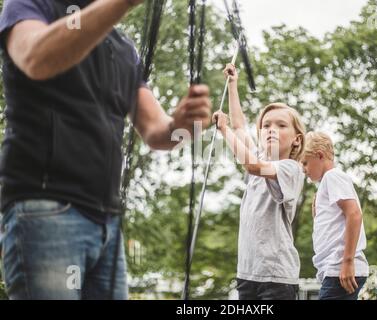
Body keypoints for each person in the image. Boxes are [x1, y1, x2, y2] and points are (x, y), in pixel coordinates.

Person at [0, 0, 211, 300]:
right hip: (45, 209)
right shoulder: (31, 5)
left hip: (107, 223)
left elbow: (156, 132)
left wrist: (183, 125)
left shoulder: (123, 47)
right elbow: (35, 58)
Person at [212, 64, 306, 300]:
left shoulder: (290, 168)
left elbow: (252, 165)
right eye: (266, 125)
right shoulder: (260, 157)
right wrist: (233, 85)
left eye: (281, 125)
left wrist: (223, 131)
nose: (271, 129)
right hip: (247, 273)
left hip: (276, 277)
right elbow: (239, 126)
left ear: (296, 140)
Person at [301, 131, 369, 300]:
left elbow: (354, 214)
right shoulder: (326, 183)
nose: (303, 169)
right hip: (332, 270)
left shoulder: (333, 176)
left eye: (305, 163)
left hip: (340, 268)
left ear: (319, 155)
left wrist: (347, 262)